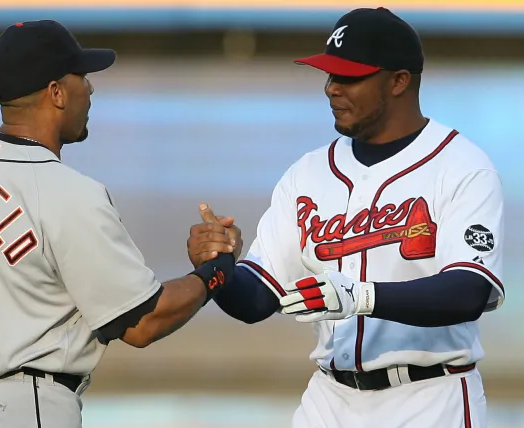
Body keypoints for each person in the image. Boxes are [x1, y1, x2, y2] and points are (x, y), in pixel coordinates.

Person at [0, 20, 239, 428]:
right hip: (29, 410)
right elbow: (142, 322)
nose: (90, 89)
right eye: (82, 77)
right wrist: (217, 269)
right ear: (56, 93)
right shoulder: (67, 192)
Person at [188, 7, 504, 428]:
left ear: (399, 80)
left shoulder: (462, 166)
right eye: (329, 75)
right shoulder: (308, 172)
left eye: (349, 76)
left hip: (430, 398)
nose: (331, 88)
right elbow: (257, 300)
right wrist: (219, 266)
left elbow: (469, 291)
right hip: (329, 399)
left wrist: (362, 296)